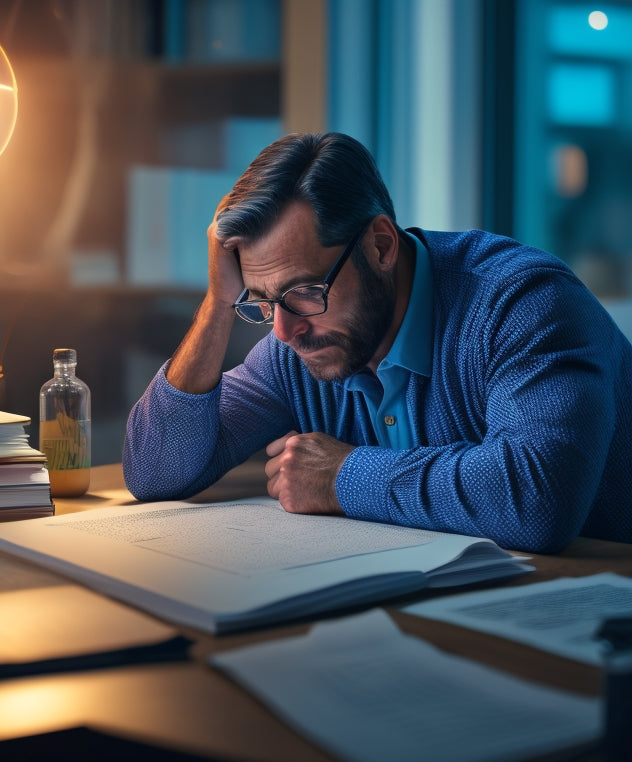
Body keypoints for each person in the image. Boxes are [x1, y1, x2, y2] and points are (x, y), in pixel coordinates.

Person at [122, 132, 632, 554]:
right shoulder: (297, 343)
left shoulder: (523, 303)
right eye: (262, 300)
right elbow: (155, 471)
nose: (283, 331)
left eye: (305, 291)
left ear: (381, 245)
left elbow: (538, 499)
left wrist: (344, 475)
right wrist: (218, 304)